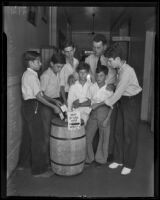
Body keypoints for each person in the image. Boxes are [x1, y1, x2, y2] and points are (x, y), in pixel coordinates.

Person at [18, 51, 62, 177]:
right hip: (33, 106)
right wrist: (53, 106)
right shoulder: (31, 76)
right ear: (31, 62)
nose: (41, 63)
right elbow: (38, 96)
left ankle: (23, 164)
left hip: (27, 107)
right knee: (38, 139)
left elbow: (40, 94)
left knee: (27, 137)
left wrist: (54, 100)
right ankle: (39, 170)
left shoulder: (28, 74)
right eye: (38, 61)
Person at [104, 43, 142, 175]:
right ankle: (119, 159)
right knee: (118, 132)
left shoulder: (127, 71)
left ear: (118, 59)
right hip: (122, 101)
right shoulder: (119, 69)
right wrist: (112, 85)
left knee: (129, 134)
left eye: (110, 60)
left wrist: (105, 101)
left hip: (131, 102)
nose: (108, 63)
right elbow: (118, 84)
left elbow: (119, 91)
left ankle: (129, 164)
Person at [40, 53, 65, 167]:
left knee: (55, 132)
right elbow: (42, 95)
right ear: (51, 64)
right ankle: (45, 162)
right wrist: (54, 102)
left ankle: (54, 158)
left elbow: (60, 89)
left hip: (56, 102)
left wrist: (61, 101)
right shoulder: (45, 75)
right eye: (58, 66)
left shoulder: (57, 73)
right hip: (47, 105)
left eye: (61, 67)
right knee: (46, 133)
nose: (60, 69)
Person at [85, 65, 114, 165]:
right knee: (87, 136)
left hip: (105, 114)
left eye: (101, 76)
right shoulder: (92, 87)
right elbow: (89, 101)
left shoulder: (109, 89)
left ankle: (100, 159)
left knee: (103, 138)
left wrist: (107, 119)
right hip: (93, 113)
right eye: (97, 76)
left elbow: (112, 106)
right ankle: (89, 158)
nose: (98, 78)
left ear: (106, 76)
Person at [60, 41, 79, 106]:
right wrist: (65, 101)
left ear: (74, 49)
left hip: (77, 92)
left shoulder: (77, 61)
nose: (69, 53)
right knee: (67, 114)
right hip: (66, 93)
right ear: (63, 52)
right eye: (67, 52)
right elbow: (61, 86)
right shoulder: (61, 65)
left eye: (71, 51)